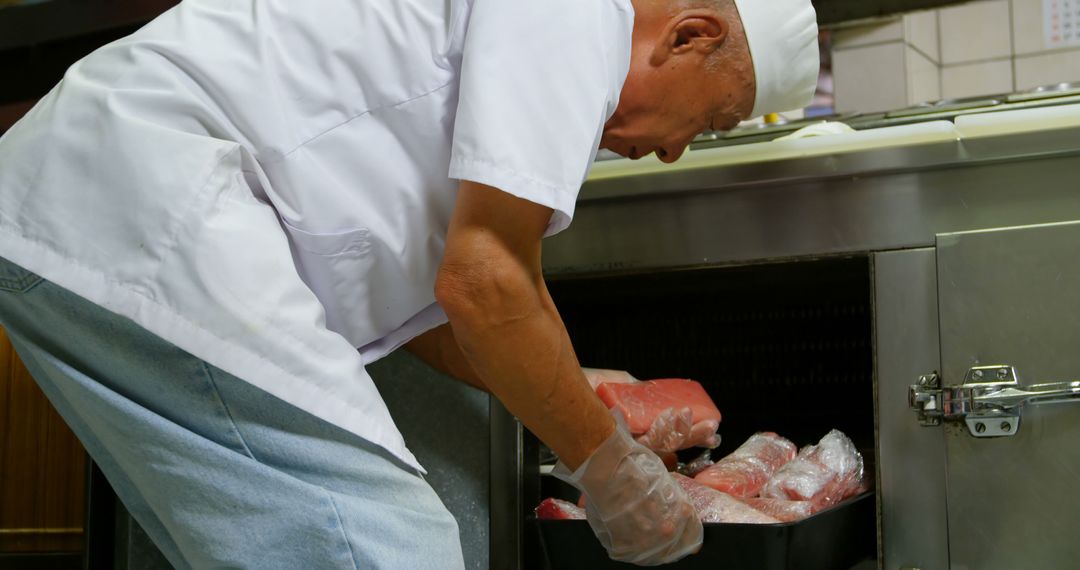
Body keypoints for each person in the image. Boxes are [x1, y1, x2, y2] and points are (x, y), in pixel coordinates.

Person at [0, 0, 818, 566]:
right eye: (710, 120)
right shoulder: (579, 14)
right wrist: (607, 468)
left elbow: (453, 305)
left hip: (87, 208)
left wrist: (577, 394)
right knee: (388, 548)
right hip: (147, 202)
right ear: (689, 37)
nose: (678, 150)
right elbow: (485, 282)